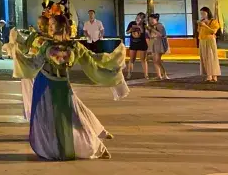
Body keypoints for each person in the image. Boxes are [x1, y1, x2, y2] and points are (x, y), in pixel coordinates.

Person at [12, 13, 127, 160]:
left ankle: (95, 146)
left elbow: (93, 59)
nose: (49, 27)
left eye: (53, 24)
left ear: (62, 26)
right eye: (49, 25)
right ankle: (51, 148)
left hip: (62, 85)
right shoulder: (46, 44)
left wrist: (113, 59)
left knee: (74, 118)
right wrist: (17, 53)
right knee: (46, 118)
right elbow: (34, 62)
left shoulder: (74, 46)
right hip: (44, 84)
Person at [198, 7, 221, 82]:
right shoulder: (201, 21)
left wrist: (205, 25)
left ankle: (214, 75)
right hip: (202, 40)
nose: (202, 15)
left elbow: (213, 31)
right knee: (205, 57)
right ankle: (209, 75)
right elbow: (199, 31)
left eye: (203, 13)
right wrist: (200, 25)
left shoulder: (213, 21)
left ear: (208, 13)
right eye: (201, 13)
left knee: (211, 57)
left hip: (210, 40)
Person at [146, 14, 170, 80]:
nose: (150, 21)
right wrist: (148, 31)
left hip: (159, 44)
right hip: (155, 44)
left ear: (156, 19)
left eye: (152, 19)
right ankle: (160, 75)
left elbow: (161, 35)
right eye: (149, 20)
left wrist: (151, 29)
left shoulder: (159, 26)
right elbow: (151, 36)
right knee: (156, 61)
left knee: (157, 61)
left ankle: (164, 75)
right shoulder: (153, 26)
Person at [125, 13, 148, 79]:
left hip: (142, 44)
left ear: (143, 19)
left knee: (143, 60)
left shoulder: (144, 25)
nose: (138, 18)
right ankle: (129, 74)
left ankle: (146, 75)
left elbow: (144, 33)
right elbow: (127, 32)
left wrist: (140, 26)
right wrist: (131, 30)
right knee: (132, 59)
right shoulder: (131, 23)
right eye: (138, 17)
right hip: (133, 43)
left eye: (141, 17)